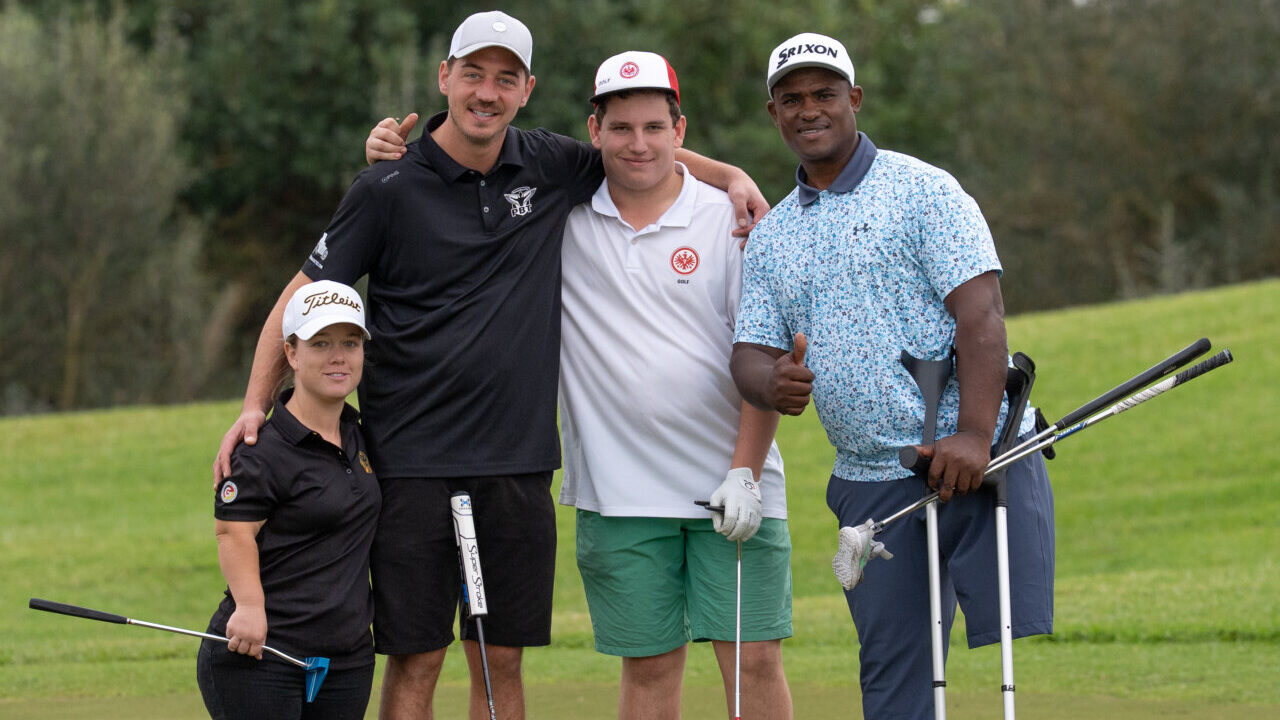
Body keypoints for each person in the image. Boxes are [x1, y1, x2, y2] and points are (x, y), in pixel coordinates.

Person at [213, 11, 768, 720]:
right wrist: (255, 406)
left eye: (506, 79)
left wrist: (732, 176)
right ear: (445, 77)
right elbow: (296, 301)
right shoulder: (385, 188)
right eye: (473, 74)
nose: (487, 92)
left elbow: (642, 154)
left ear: (527, 89)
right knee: (415, 659)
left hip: (517, 463)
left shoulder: (548, 164)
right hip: (411, 461)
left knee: (499, 662)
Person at [729, 33, 1055, 720]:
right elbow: (750, 353)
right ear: (773, 112)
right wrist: (770, 383)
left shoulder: (924, 191)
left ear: (854, 98)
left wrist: (973, 433)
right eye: (791, 99)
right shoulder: (773, 235)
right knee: (894, 680)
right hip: (869, 481)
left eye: (823, 94)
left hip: (968, 461)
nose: (808, 110)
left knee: (1000, 657)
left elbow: (982, 314)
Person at [555, 51, 792, 718]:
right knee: (651, 670)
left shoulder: (733, 219)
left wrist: (744, 471)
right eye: (621, 127)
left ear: (679, 130)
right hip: (618, 490)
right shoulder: (562, 218)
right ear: (594, 129)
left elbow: (764, 356)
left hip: (734, 482)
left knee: (754, 660)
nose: (639, 144)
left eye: (654, 127)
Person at [199, 280, 379, 720]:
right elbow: (233, 532)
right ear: (292, 354)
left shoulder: (362, 435)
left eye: (350, 343)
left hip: (346, 659)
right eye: (321, 343)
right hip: (262, 653)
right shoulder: (262, 448)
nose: (339, 356)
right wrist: (249, 606)